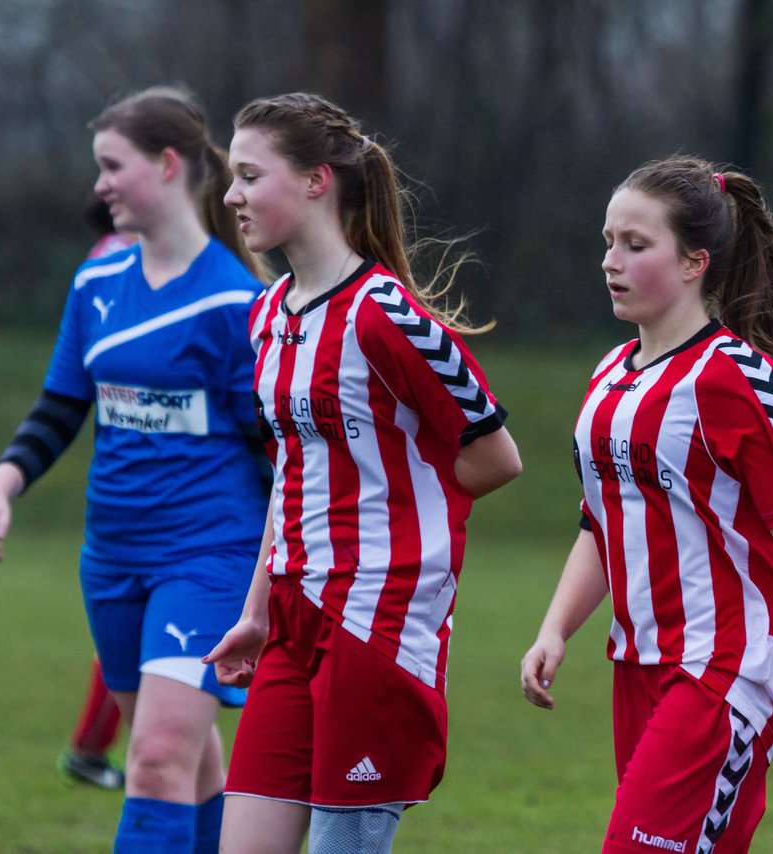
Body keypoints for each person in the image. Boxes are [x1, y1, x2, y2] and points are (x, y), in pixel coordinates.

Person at [520, 155, 773, 852]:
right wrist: (554, 629)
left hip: (724, 670)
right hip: (637, 666)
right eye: (607, 242)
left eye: (636, 245)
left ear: (694, 263)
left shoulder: (734, 377)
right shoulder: (607, 377)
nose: (611, 261)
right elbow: (603, 523)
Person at [203, 92, 522, 854]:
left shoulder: (388, 316)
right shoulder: (271, 312)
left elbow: (495, 457)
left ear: (317, 181)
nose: (231, 196)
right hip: (288, 618)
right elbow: (294, 472)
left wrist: (398, 522)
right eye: (230, 177)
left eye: (250, 175)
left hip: (372, 625)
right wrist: (255, 608)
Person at [0, 86, 271, 852]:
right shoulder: (95, 286)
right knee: (189, 758)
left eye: (112, 166)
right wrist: (2, 481)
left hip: (207, 553)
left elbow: (271, 452)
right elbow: (60, 408)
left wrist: (276, 577)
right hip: (109, 557)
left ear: (167, 165)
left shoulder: (236, 303)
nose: (100, 185)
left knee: (152, 759)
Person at [56, 199, 136, 792]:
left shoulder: (100, 258)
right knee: (138, 638)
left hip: (130, 474)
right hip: (147, 478)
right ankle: (88, 748)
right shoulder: (122, 260)